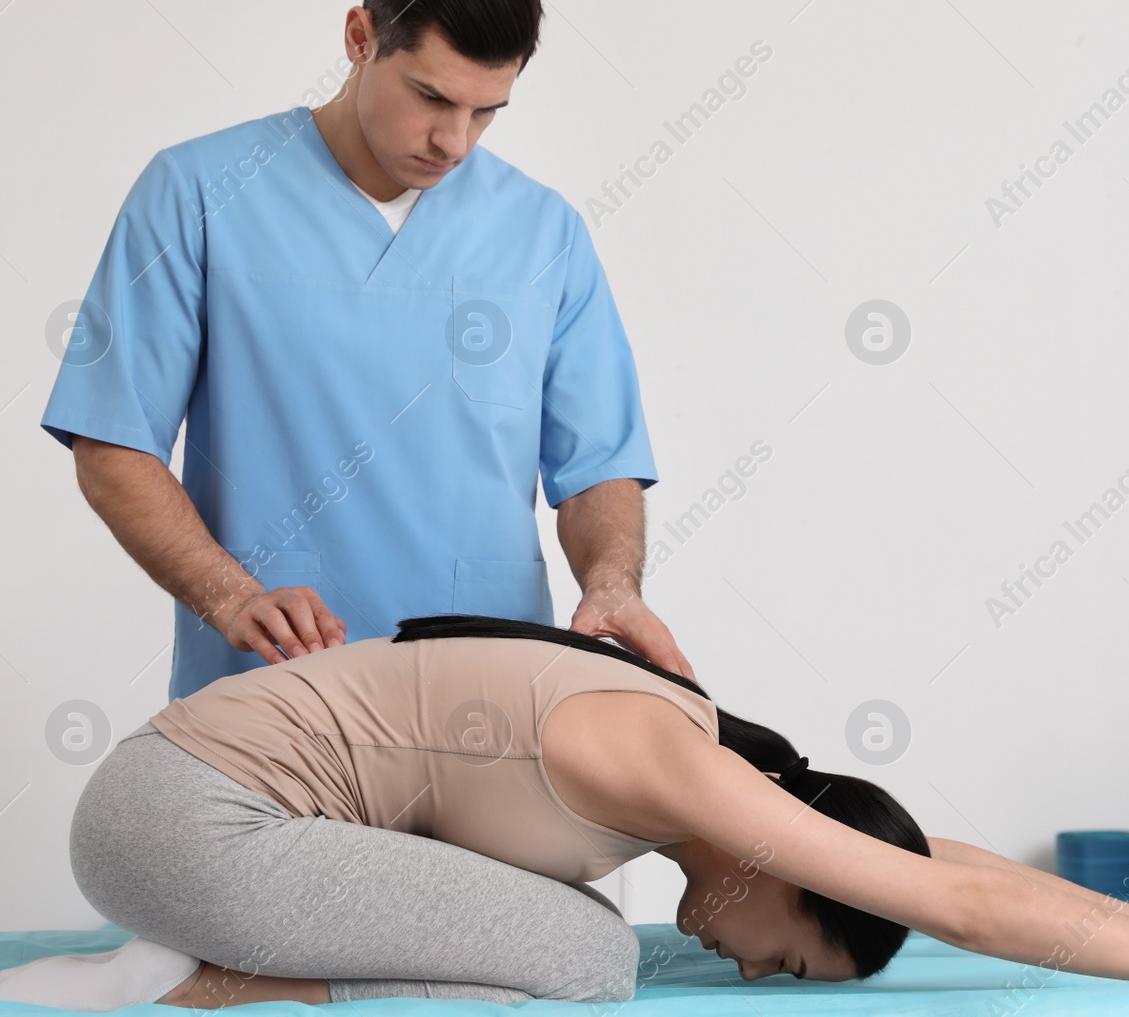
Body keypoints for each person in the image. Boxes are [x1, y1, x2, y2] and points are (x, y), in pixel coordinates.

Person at [0, 615, 1129, 1012]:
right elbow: (969, 905)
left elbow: (933, 861)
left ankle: (191, 951)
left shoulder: (727, 779)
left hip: (185, 805)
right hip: (184, 824)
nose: (752, 965)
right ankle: (189, 972)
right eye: (791, 958)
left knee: (571, 918)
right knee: (590, 954)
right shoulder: (680, 768)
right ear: (779, 862)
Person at [38, 0, 693, 706]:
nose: (454, 141)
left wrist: (612, 581)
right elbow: (112, 441)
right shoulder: (198, 193)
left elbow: (598, 465)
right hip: (272, 693)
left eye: (486, 111)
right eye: (431, 96)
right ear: (360, 38)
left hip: (486, 699)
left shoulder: (544, 232)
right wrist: (230, 598)